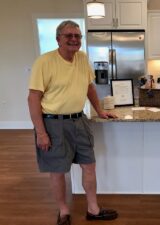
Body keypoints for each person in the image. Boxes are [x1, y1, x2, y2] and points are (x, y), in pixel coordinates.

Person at [28, 20, 118, 225]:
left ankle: (93, 209)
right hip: (53, 123)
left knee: (89, 166)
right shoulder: (44, 62)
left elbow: (90, 88)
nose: (74, 39)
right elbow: (33, 98)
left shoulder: (82, 58)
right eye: (69, 35)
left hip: (79, 120)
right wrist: (41, 133)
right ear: (58, 39)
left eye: (77, 36)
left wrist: (101, 111)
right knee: (58, 170)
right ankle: (63, 212)